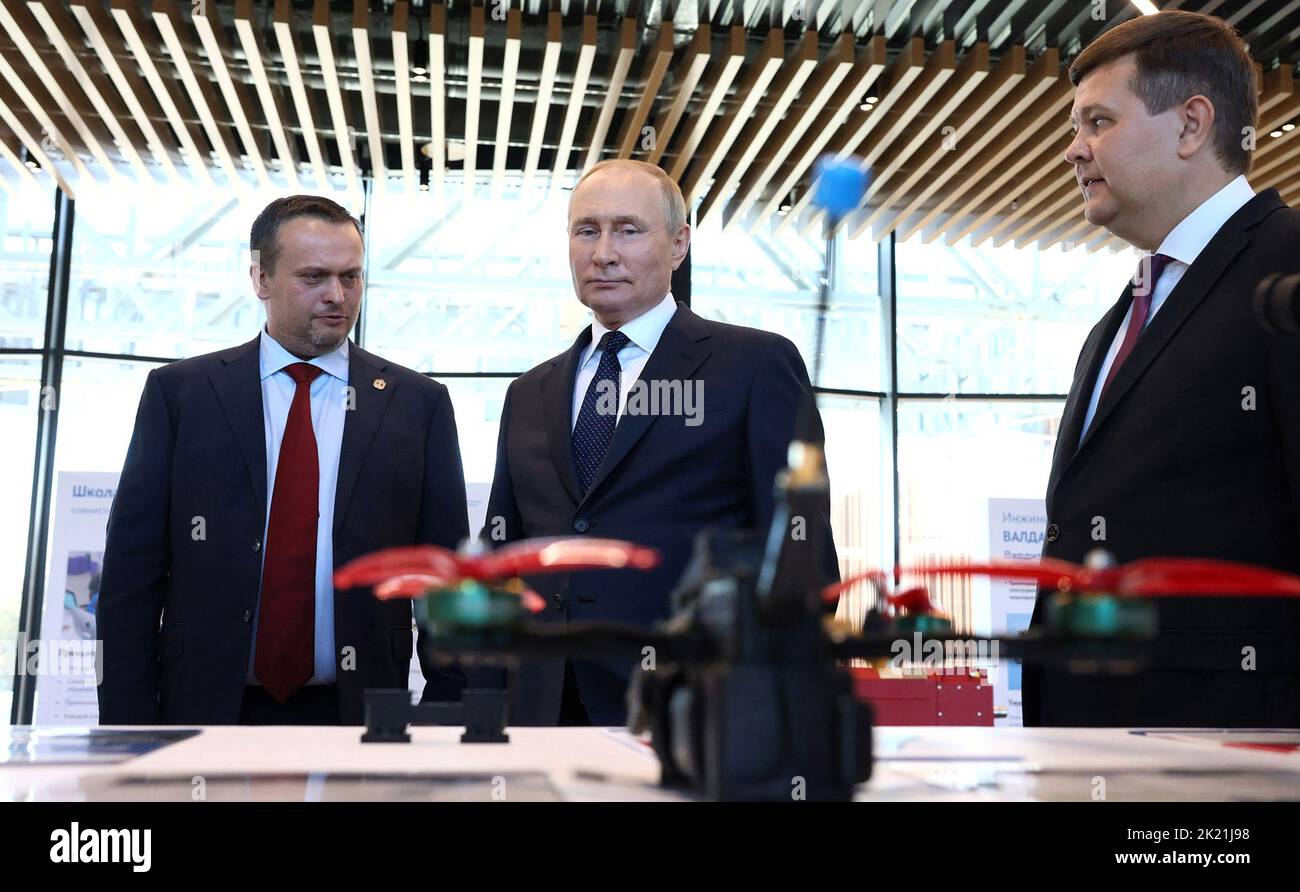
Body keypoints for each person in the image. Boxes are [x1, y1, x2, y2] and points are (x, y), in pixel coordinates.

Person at [481, 159, 839, 726]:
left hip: (693, 707)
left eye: (628, 229)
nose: (603, 252)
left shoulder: (754, 365)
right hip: (543, 711)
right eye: (586, 230)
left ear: (679, 245)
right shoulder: (529, 392)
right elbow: (502, 560)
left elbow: (802, 554)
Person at [98, 195, 470, 725]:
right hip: (203, 713)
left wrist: (445, 716)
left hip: (360, 715)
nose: (336, 296)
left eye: (351, 277)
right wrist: (126, 725)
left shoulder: (418, 405)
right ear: (261, 278)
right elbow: (130, 577)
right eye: (314, 276)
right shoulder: (181, 395)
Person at [1025, 10, 1300, 727]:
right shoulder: (1114, 325)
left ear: (1190, 125)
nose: (1073, 151)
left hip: (1231, 755)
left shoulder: (1289, 272)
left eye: (1097, 122)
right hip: (1095, 743)